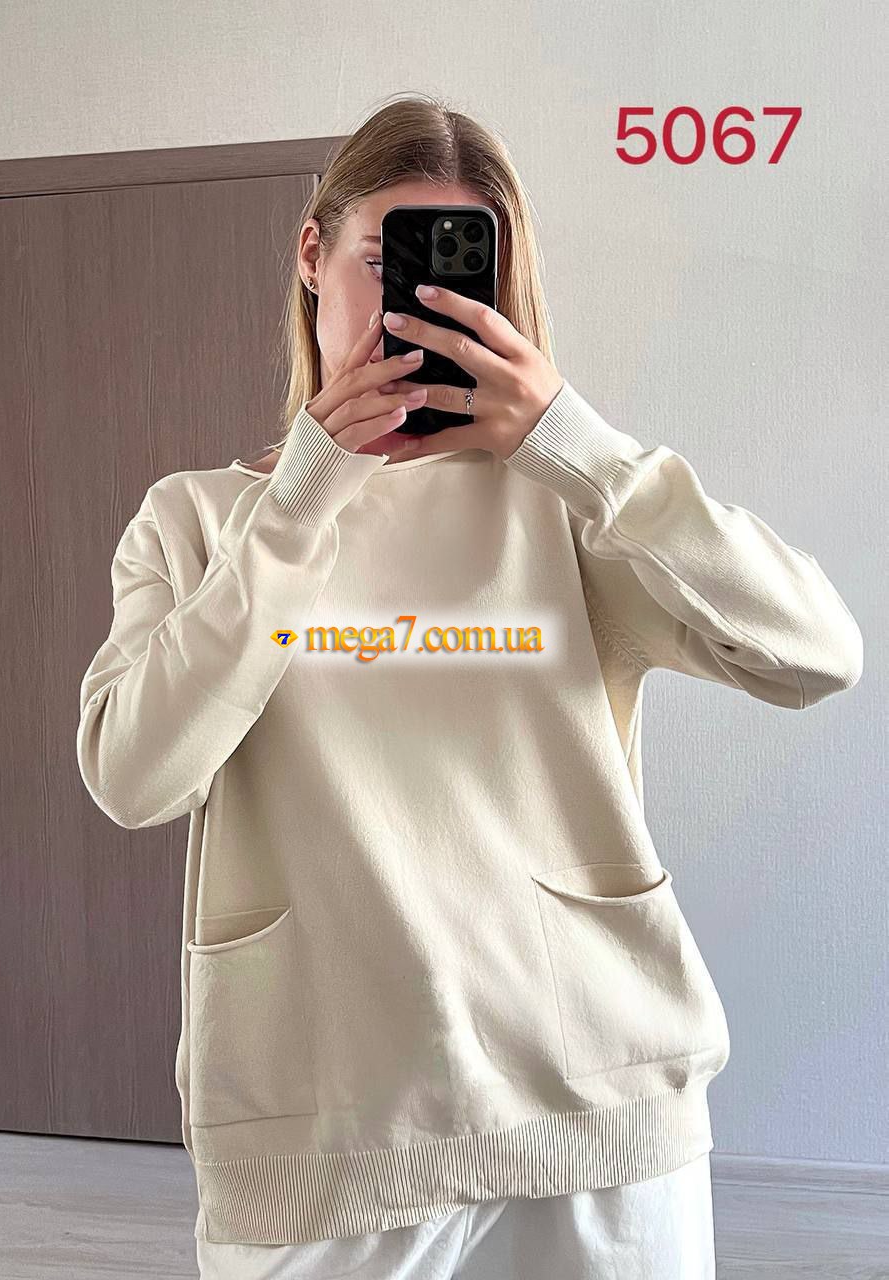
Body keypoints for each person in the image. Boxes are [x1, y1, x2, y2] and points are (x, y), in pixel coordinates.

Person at [76, 93, 863, 1279]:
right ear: (311, 253)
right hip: (324, 1138)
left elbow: (816, 652)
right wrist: (303, 496)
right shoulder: (197, 521)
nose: (419, 307)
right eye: (387, 259)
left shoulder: (570, 504)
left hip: (602, 1117)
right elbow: (134, 774)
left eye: (461, 270)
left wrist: (574, 442)